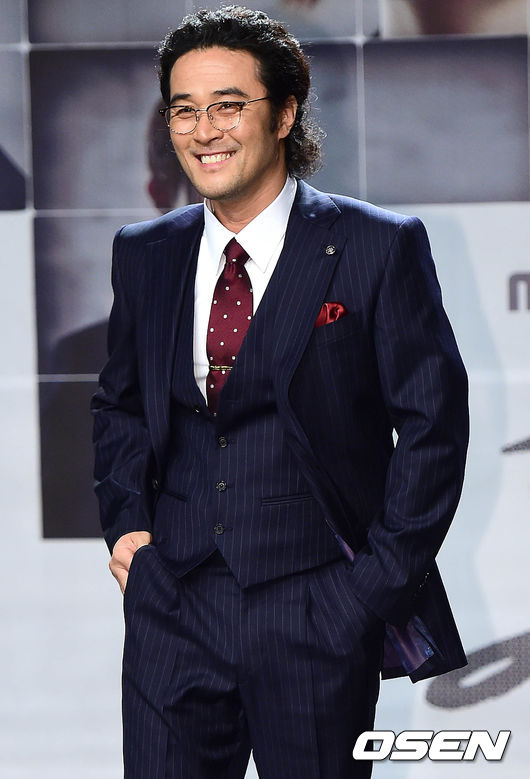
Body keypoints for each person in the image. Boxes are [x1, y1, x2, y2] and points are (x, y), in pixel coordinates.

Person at [91, 6, 469, 778]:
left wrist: (368, 590)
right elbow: (120, 404)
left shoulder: (375, 244)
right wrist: (129, 532)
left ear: (286, 112)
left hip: (317, 608)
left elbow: (433, 425)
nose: (204, 130)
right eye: (184, 110)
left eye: (228, 105)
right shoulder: (145, 253)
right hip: (172, 605)